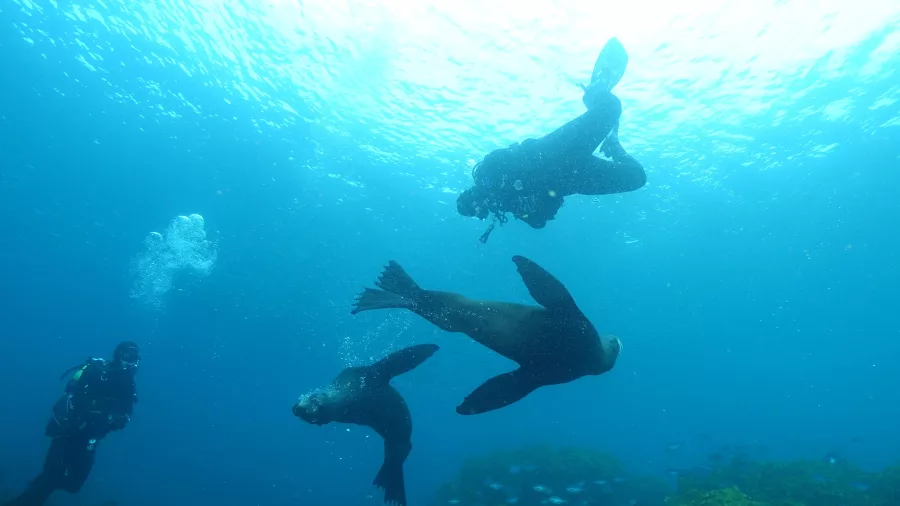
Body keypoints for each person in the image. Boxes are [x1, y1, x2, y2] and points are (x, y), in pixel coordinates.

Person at [456, 38, 647, 242]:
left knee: (610, 108)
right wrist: (527, 211)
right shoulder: (507, 204)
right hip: (572, 179)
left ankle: (595, 90)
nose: (480, 213)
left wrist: (505, 187)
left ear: (473, 195)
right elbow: (540, 222)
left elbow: (500, 158)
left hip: (553, 152)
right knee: (636, 177)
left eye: (474, 208)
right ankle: (614, 145)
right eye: (475, 215)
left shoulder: (486, 177)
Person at [4, 342, 140, 506]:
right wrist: (94, 411)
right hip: (69, 431)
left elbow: (126, 414)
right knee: (52, 475)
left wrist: (114, 420)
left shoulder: (128, 384)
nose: (131, 358)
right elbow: (72, 393)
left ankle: (39, 484)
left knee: (74, 486)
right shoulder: (97, 370)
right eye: (128, 353)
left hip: (91, 438)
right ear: (118, 354)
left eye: (134, 355)